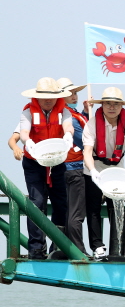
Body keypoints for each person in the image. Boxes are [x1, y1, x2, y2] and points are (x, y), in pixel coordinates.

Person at [83, 87, 125, 260]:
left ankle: (123, 247)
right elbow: (87, 151)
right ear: (102, 105)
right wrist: (92, 171)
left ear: (122, 105)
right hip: (94, 169)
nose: (112, 107)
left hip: (117, 170)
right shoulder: (92, 123)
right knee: (92, 209)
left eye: (116, 104)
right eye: (108, 103)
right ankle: (97, 246)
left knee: (117, 209)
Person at [19, 77, 74, 259]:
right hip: (34, 162)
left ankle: (57, 246)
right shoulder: (27, 112)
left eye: (52, 96)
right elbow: (24, 132)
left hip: (56, 161)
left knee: (61, 203)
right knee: (37, 202)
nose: (48, 100)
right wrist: (28, 142)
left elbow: (68, 126)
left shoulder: (64, 111)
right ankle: (36, 247)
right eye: (44, 97)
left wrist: (68, 136)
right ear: (37, 97)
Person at [57, 78, 89, 255]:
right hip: (75, 168)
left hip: (65, 168)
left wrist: (85, 112)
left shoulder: (69, 114)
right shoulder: (69, 116)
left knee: (67, 210)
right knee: (76, 213)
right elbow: (85, 140)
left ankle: (61, 247)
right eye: (70, 93)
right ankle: (78, 250)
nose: (74, 96)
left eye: (75, 92)